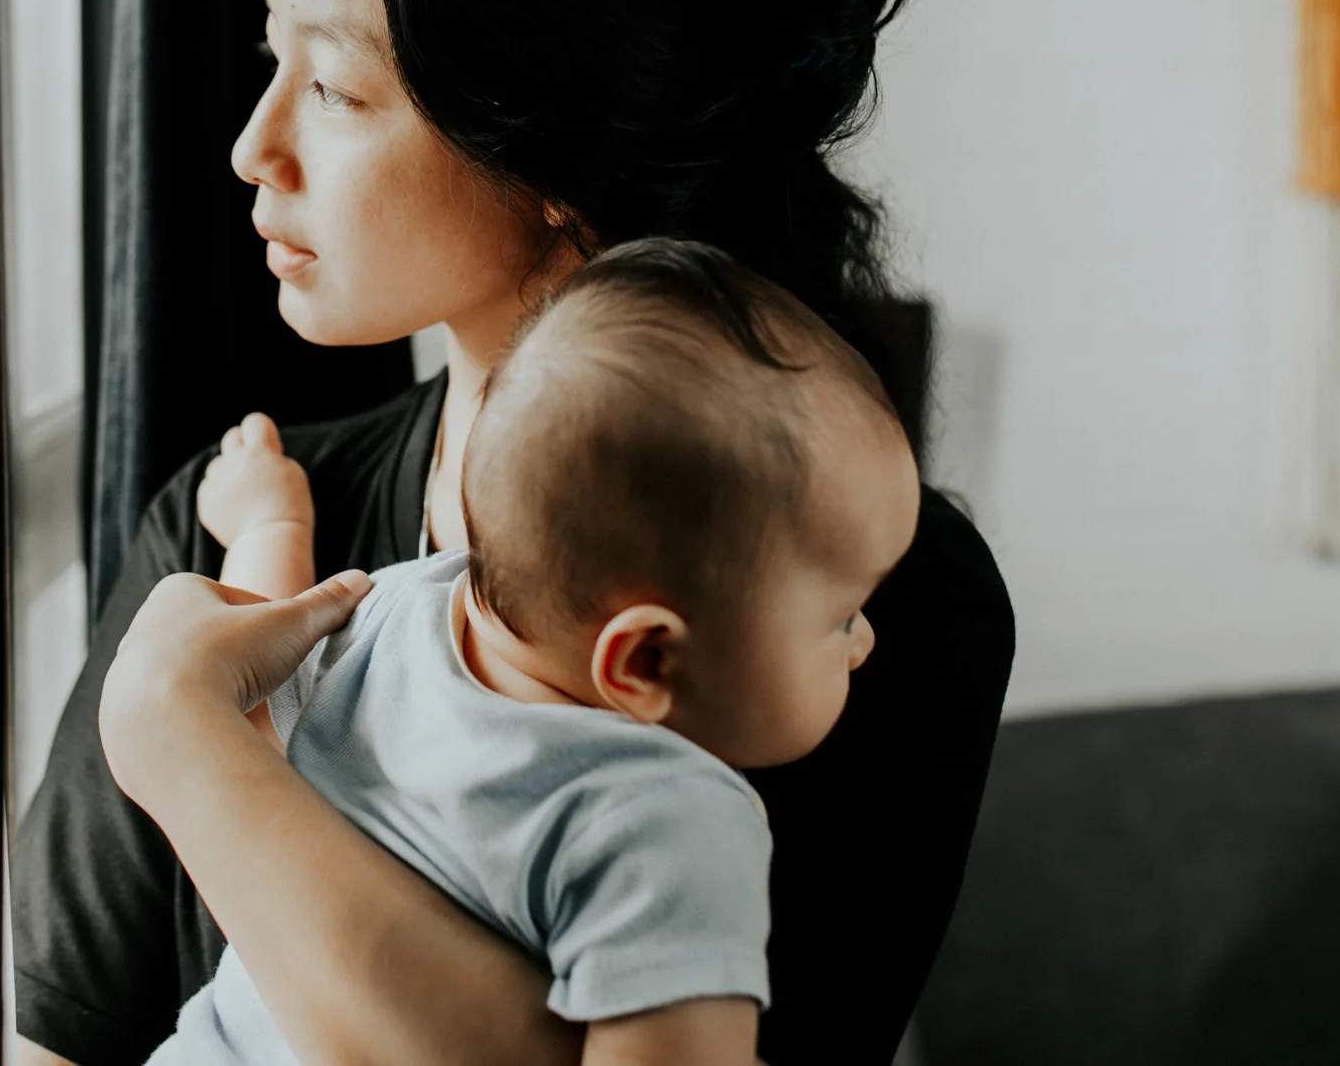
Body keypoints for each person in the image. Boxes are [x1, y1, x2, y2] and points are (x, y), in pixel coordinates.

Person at [12, 0, 1016, 1066]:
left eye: (333, 86)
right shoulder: (223, 528)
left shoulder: (856, 602)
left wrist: (188, 745)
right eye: (272, 65)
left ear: (544, 145)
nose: (255, 145)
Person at [133, 240, 920, 1064]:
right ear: (646, 662)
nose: (866, 642)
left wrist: (270, 530)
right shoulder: (669, 823)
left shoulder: (394, 610)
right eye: (841, 616)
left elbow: (248, 665)